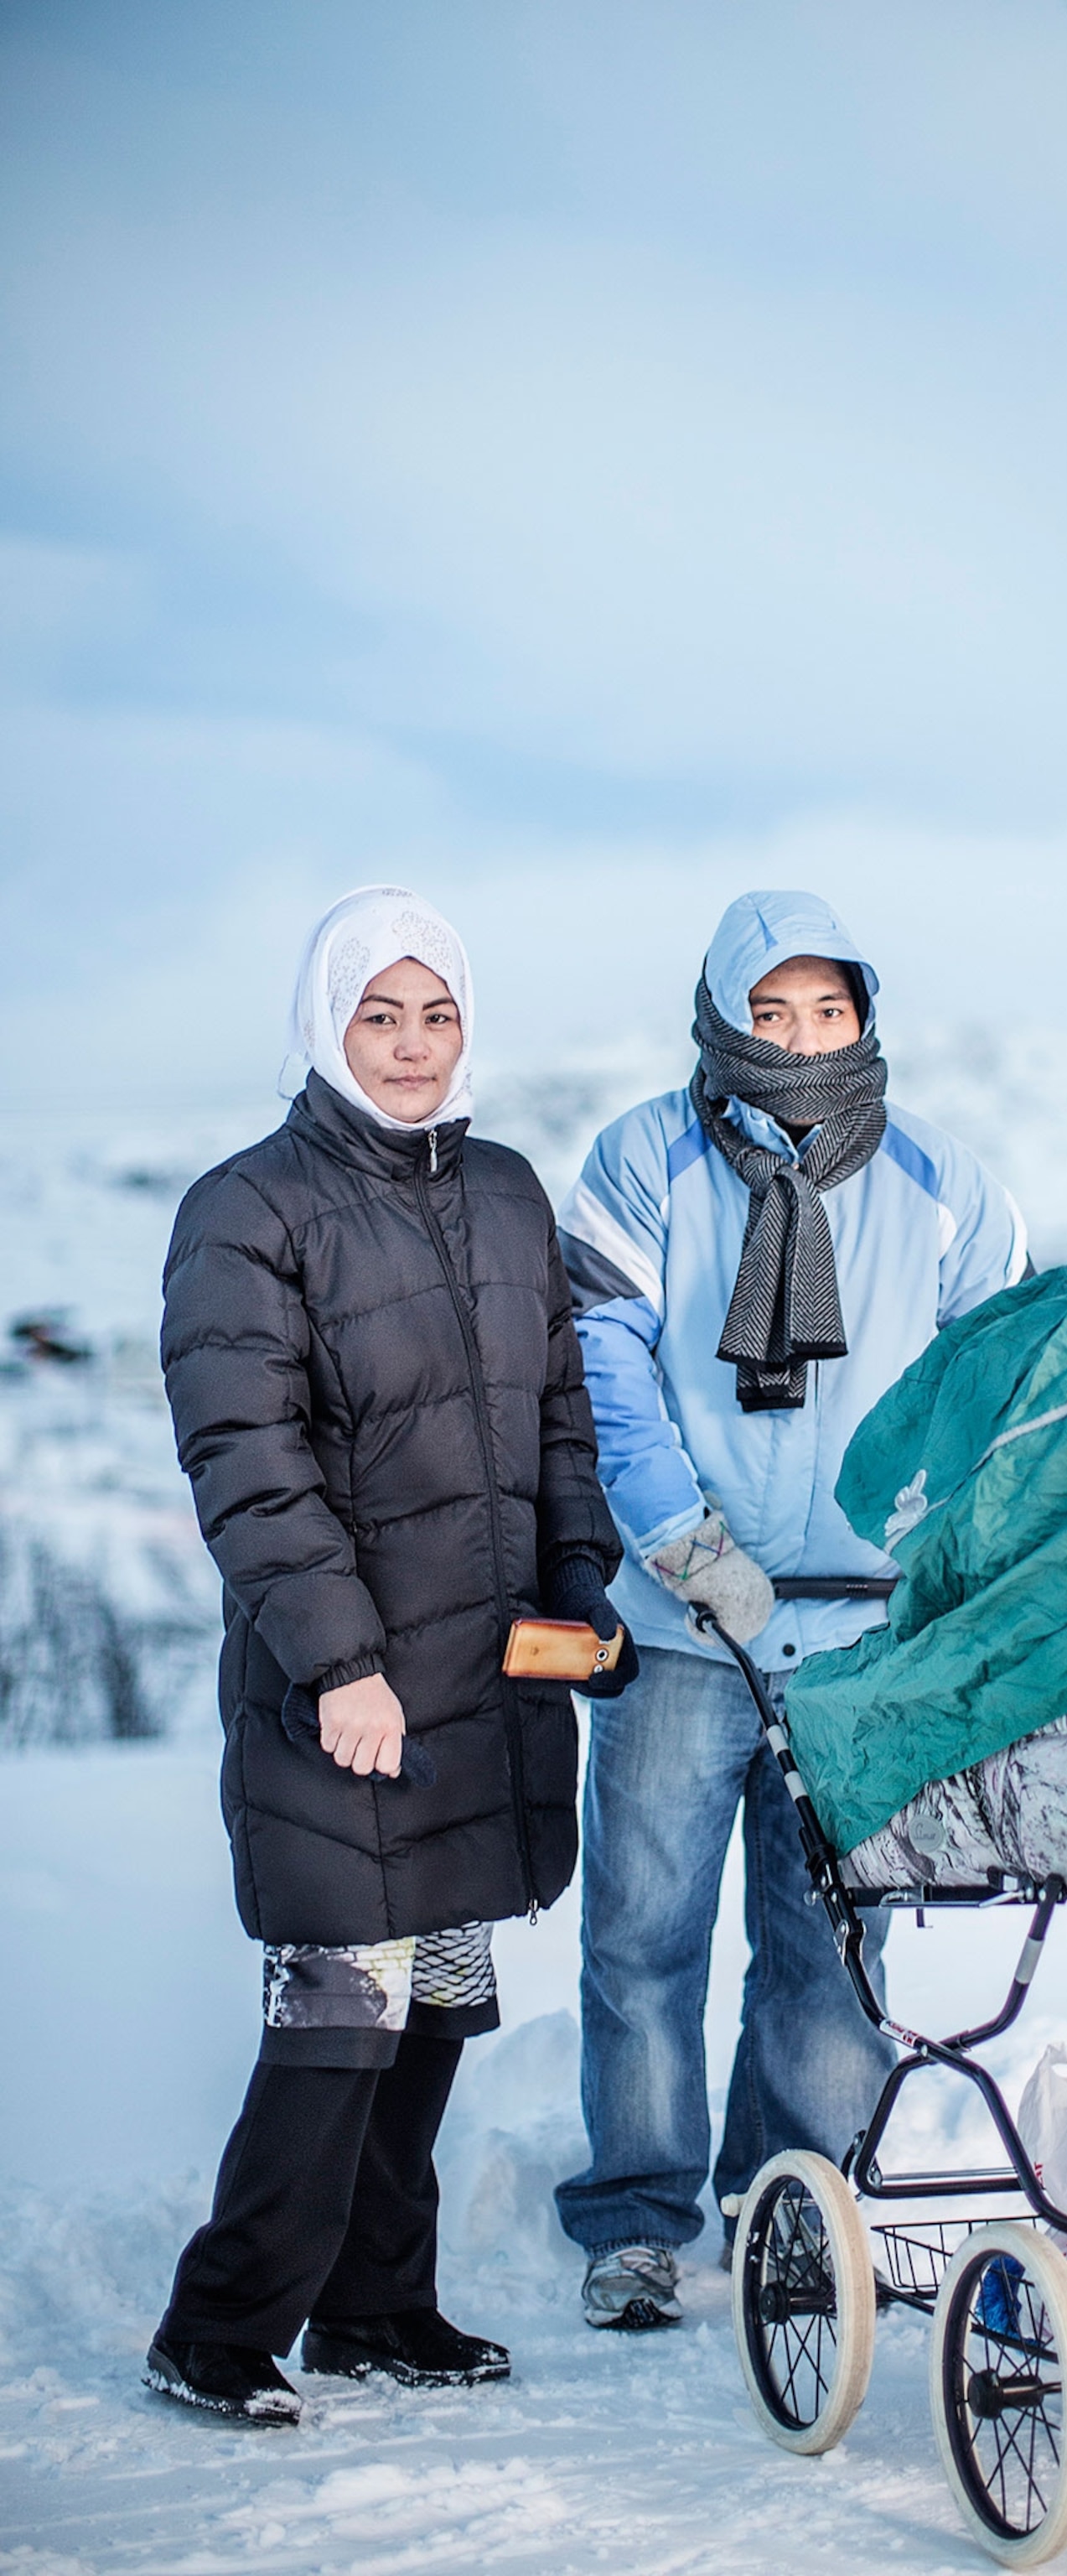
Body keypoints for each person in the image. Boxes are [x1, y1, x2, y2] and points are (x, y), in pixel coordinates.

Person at [146, 886, 633, 2423]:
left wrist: (581, 1589)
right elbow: (249, 1458)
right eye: (380, 1013)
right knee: (337, 2016)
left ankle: (377, 2307)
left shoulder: (504, 1191)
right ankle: (219, 2330)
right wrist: (337, 1659)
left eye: (437, 1014)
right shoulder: (248, 1210)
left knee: (434, 2000)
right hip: (343, 1692)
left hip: (486, 1680)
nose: (413, 1045)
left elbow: (560, 1415)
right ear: (325, 1022)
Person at [553, 889, 1028, 2329]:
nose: (802, 1037)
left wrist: (940, 1549)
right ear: (720, 1016)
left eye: (827, 1011)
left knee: (831, 1942)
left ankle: (796, 2201)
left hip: (861, 1637)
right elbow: (605, 1354)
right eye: (772, 1013)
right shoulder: (642, 1161)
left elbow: (988, 1372)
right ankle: (637, 2218)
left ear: (864, 1018)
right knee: (643, 1928)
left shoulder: (941, 1178)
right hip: (687, 1621)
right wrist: (679, 1539)